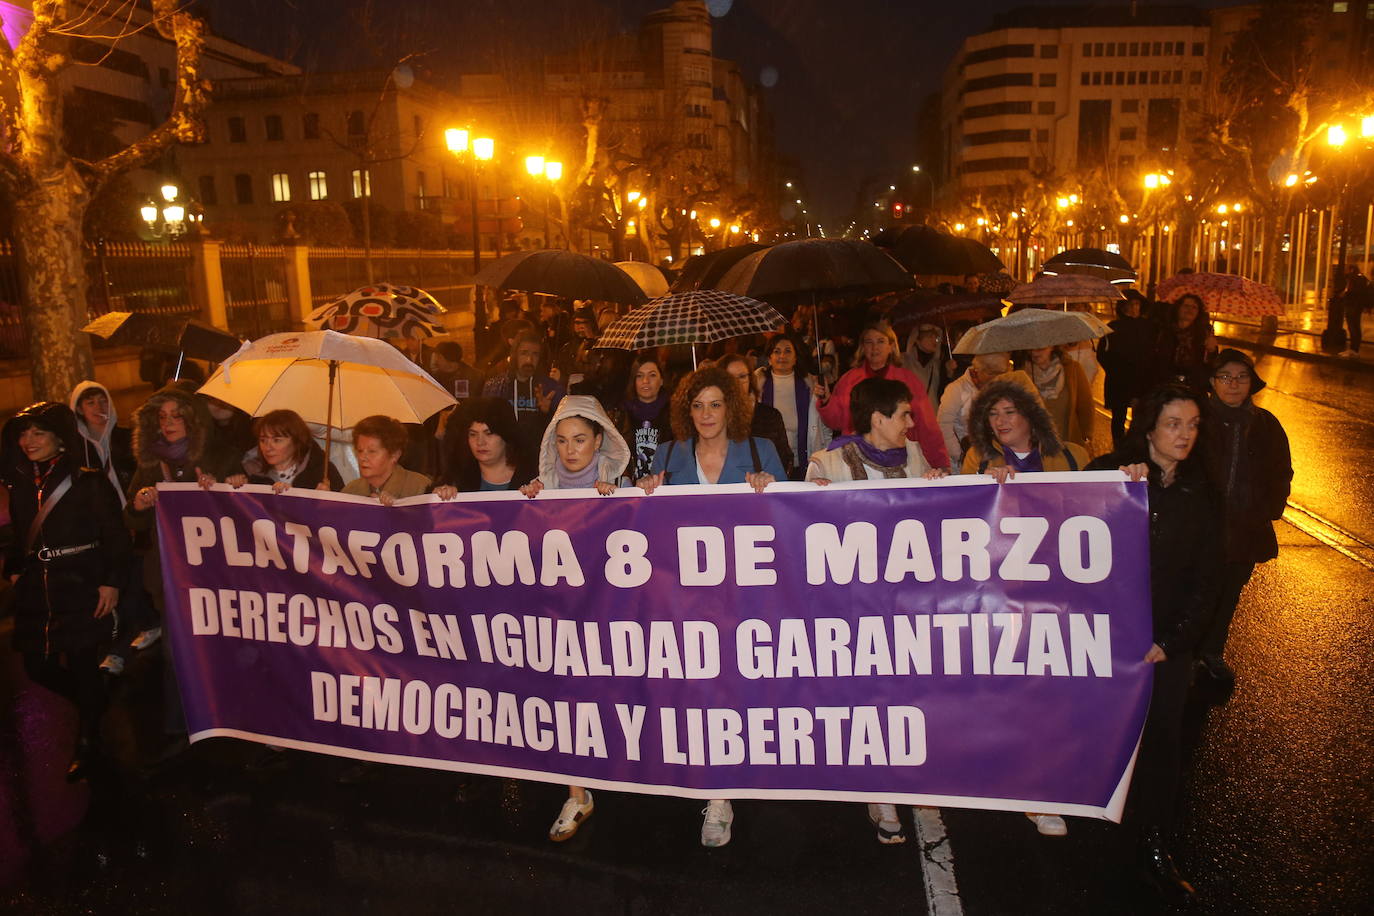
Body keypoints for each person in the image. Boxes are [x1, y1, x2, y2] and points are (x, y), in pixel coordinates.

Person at [638, 366, 785, 848]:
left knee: (735, 689)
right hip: (686, 601)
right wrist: (644, 496)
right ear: (685, 410)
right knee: (699, 692)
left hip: (745, 599)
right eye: (697, 405)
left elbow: (793, 522)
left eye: (716, 404)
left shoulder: (761, 452)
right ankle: (713, 785)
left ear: (733, 408)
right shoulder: (666, 457)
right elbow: (644, 534)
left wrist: (773, 489)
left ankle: (727, 786)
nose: (706, 414)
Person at [1087, 385, 1219, 903]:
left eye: (1191, 424)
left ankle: (1155, 846)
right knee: (1103, 737)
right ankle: (1095, 829)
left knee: (1163, 747)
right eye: (1173, 424)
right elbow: (1046, 513)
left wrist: (1172, 640)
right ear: (1147, 430)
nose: (1184, 434)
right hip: (1107, 641)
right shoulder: (1109, 473)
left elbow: (1207, 580)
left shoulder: (1202, 493)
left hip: (1164, 647)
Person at [520, 395, 630, 842]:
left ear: (599, 439)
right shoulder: (538, 490)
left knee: (607, 699)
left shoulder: (619, 486)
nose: (571, 450)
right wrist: (524, 505)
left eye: (581, 440)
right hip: (558, 616)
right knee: (567, 697)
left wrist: (617, 501)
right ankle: (578, 792)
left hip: (610, 617)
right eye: (562, 440)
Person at [2, 402, 131, 782]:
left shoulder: (87, 481)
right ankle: (93, 702)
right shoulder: (22, 484)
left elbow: (116, 536)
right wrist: (13, 567)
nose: (29, 441)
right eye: (24, 434)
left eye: (39, 433)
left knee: (81, 661)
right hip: (37, 590)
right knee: (36, 665)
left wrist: (112, 581)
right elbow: (20, 534)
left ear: (60, 438)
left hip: (81, 584)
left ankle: (88, 740)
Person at [1196, 349, 1292, 685]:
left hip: (1245, 529)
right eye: (1225, 377)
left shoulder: (1265, 423)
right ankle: (1186, 653)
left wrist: (1267, 510)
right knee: (1199, 592)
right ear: (1212, 382)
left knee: (1229, 594)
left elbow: (1281, 471)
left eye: (1241, 377)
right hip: (1201, 530)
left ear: (1252, 383)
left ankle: (1211, 652)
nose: (1233, 384)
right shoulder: (1197, 421)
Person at [815, 322, 949, 471]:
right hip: (857, 460)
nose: (874, 347)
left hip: (900, 459)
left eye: (880, 341)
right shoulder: (848, 380)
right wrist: (826, 400)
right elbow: (835, 422)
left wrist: (940, 464)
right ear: (862, 347)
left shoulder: (908, 380)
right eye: (869, 342)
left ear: (891, 346)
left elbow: (927, 426)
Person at [807, 377, 946, 485]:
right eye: (904, 415)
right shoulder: (826, 465)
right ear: (877, 420)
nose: (911, 423)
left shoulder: (914, 453)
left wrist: (935, 481)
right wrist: (815, 493)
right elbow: (809, 515)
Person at [960, 379, 1089, 477]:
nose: (999, 421)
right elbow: (965, 507)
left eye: (1009, 412)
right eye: (993, 414)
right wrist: (985, 485)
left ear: (1030, 416)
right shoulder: (978, 459)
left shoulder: (1074, 457)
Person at [935, 352, 1039, 468]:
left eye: (1000, 373)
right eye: (992, 372)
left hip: (996, 454)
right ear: (979, 370)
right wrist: (959, 455)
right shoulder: (956, 390)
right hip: (964, 457)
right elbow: (943, 425)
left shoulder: (1003, 387)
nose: (996, 377)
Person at [756, 334, 829, 478]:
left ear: (796, 357)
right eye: (776, 351)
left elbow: (825, 425)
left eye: (788, 351)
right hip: (766, 463)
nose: (782, 355)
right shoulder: (757, 384)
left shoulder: (811, 384)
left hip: (802, 461)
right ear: (769, 358)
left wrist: (825, 399)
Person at [482, 330, 565, 458]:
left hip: (540, 458)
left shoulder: (551, 388)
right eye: (524, 353)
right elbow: (485, 424)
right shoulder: (496, 386)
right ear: (514, 355)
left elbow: (564, 428)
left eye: (535, 354)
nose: (529, 359)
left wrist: (547, 413)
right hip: (505, 456)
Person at [432, 398, 537, 496]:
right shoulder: (455, 481)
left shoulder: (535, 480)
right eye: (473, 434)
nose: (480, 442)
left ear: (506, 435)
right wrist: (436, 499)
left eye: (489, 433)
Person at [1098, 292, 1160, 447]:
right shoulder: (1113, 327)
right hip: (1119, 380)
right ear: (1123, 307)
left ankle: (1136, 447)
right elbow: (1102, 354)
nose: (1134, 308)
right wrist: (1114, 369)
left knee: (1141, 418)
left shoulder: (1149, 327)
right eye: (1131, 304)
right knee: (1119, 416)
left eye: (1137, 304)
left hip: (1142, 380)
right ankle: (1118, 446)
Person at [228, 409, 344, 492]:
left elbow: (345, 516)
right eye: (263, 440)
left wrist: (328, 501)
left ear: (296, 441)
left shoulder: (323, 472)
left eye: (277, 440)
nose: (267, 447)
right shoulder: (250, 473)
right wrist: (238, 490)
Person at [720, 354, 795, 478]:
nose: (737, 383)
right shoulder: (713, 418)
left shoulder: (770, 416)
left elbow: (784, 458)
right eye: (729, 378)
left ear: (750, 379)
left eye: (742, 376)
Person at [1018, 345, 1095, 456]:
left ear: (1052, 347)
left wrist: (1087, 437)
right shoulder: (1023, 374)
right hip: (1034, 448)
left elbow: (1086, 406)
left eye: (1040, 348)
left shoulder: (1073, 369)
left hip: (1067, 445)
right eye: (1031, 349)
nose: (1034, 353)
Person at [610, 355, 675, 483]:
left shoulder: (674, 413)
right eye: (639, 376)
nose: (645, 380)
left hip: (665, 485)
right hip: (631, 487)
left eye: (652, 375)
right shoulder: (621, 414)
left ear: (661, 380)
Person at [340, 415, 432, 503]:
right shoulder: (351, 491)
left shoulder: (420, 488)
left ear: (395, 455)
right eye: (360, 451)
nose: (362, 457)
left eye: (372, 451)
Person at [1156, 295, 1217, 393]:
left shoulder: (1204, 334)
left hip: (1193, 388)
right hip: (1165, 385)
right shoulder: (1164, 331)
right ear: (1178, 308)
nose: (1190, 310)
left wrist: (1212, 350)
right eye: (1186, 306)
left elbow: (1212, 365)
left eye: (1194, 307)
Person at [902, 323, 955, 413]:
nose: (934, 340)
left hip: (932, 414)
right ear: (917, 340)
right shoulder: (904, 361)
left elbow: (942, 393)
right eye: (930, 337)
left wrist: (949, 374)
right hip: (912, 413)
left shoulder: (938, 363)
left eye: (936, 337)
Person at [1337, 265, 1373, 357]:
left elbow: (1353, 293)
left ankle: (1354, 350)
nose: (1345, 271)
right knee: (1355, 327)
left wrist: (1345, 294)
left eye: (1346, 269)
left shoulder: (1354, 279)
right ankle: (1354, 349)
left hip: (1353, 306)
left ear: (1351, 270)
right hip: (1356, 307)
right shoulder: (1360, 279)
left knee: (1353, 328)